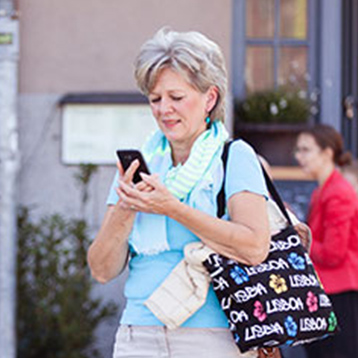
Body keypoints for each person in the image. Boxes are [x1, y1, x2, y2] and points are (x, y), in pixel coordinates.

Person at [87, 28, 271, 358]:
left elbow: (255, 246)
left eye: (176, 97)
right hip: (137, 334)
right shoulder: (143, 167)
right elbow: (101, 269)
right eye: (155, 99)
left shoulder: (235, 156)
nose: (163, 109)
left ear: (209, 98)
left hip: (212, 337)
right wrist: (127, 206)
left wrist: (171, 207)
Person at [294, 124, 358, 358]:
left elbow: (333, 253)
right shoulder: (323, 190)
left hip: (338, 293)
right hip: (328, 291)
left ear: (327, 153)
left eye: (305, 150)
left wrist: (300, 240)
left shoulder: (337, 192)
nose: (299, 156)